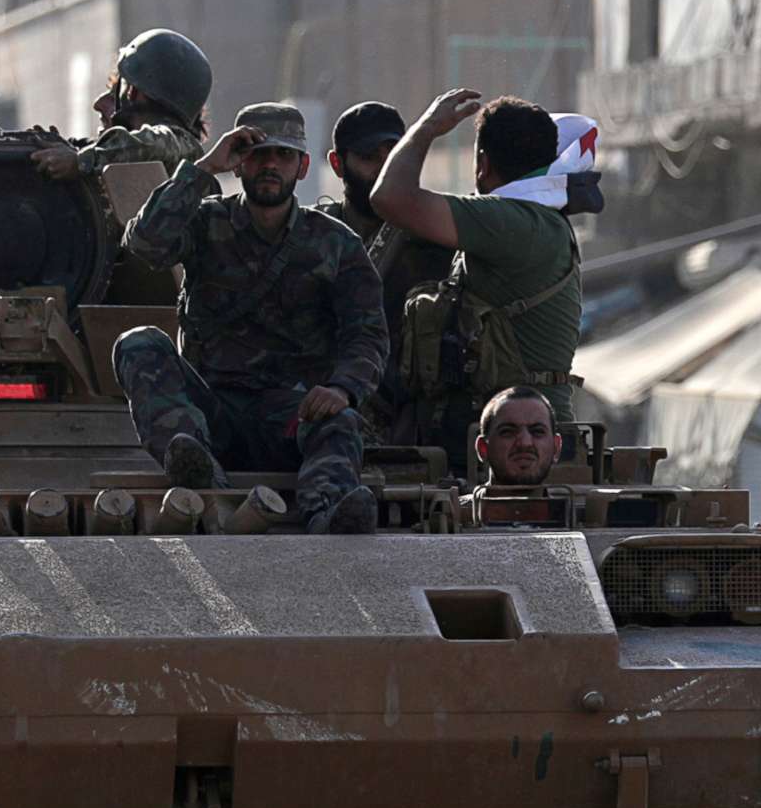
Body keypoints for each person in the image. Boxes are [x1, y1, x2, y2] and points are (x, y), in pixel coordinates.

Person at [110, 102, 389, 534]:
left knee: (342, 422)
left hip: (293, 417)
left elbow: (367, 332)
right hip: (211, 413)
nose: (270, 165)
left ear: (302, 167)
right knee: (139, 343)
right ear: (238, 164)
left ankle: (328, 512)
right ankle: (200, 478)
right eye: (257, 154)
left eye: (283, 155)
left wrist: (342, 388)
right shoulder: (205, 223)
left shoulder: (335, 244)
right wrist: (202, 169)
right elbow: (144, 244)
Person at [368, 90, 595, 434]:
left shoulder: (508, 221)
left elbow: (390, 197)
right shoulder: (539, 219)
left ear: (482, 164)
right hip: (520, 433)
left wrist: (427, 128)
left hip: (511, 439)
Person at [0, 26, 213, 184]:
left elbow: (160, 142)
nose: (99, 104)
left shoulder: (180, 152)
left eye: (114, 92)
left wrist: (82, 161)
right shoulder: (97, 156)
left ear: (137, 95)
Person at [315, 101, 457, 443]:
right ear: (337, 164)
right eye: (369, 158)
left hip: (417, 420)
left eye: (393, 157)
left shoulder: (436, 236)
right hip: (329, 411)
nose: (383, 170)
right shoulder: (314, 237)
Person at [472, 386, 560, 488]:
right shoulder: (452, 504)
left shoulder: (572, 504)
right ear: (483, 448)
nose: (525, 443)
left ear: (556, 447)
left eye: (537, 432)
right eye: (508, 432)